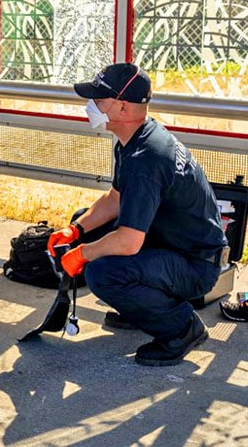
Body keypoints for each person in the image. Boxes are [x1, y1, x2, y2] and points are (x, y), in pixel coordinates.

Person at [47, 63, 227, 366]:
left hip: (195, 266)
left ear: (122, 106)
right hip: (171, 247)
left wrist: (83, 254)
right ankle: (140, 308)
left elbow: (129, 242)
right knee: (88, 226)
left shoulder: (147, 159)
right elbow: (116, 199)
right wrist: (75, 230)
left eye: (99, 100)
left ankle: (182, 329)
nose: (91, 106)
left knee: (103, 273)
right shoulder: (136, 139)